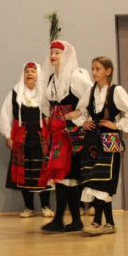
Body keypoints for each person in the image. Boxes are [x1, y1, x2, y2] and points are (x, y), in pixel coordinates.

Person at [72, 57, 128, 236]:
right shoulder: (89, 91)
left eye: (97, 69)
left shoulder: (116, 91)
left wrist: (117, 125)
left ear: (108, 71)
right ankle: (108, 223)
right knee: (94, 179)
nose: (94, 72)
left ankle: (98, 221)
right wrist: (83, 123)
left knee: (103, 180)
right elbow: (79, 111)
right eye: (92, 69)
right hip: (91, 141)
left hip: (109, 140)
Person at [39, 41, 93, 232]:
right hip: (56, 132)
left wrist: (78, 114)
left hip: (70, 133)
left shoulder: (75, 77)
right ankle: (73, 220)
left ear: (67, 55)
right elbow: (45, 102)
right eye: (51, 52)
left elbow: (92, 95)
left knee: (64, 177)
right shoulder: (53, 78)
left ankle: (59, 219)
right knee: (65, 179)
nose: (53, 55)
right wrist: (49, 117)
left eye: (57, 53)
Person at [0, 62, 53, 218]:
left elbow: (52, 113)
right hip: (22, 138)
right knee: (24, 171)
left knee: (43, 170)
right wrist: (7, 136)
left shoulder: (45, 94)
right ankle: (29, 207)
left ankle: (45, 206)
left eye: (33, 71)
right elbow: (6, 115)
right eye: (27, 71)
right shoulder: (15, 93)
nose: (30, 74)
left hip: (42, 138)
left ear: (38, 75)